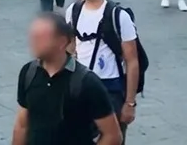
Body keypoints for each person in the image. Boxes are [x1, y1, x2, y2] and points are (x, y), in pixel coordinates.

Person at [11, 12, 122, 145]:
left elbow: (113, 135)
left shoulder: (86, 82)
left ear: (62, 42)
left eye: (40, 38)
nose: (33, 43)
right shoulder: (29, 72)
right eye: (33, 37)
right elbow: (22, 125)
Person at [66, 0, 140, 141]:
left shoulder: (119, 16)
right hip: (81, 85)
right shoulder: (73, 11)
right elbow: (70, 48)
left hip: (110, 88)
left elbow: (132, 61)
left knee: (112, 138)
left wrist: (130, 103)